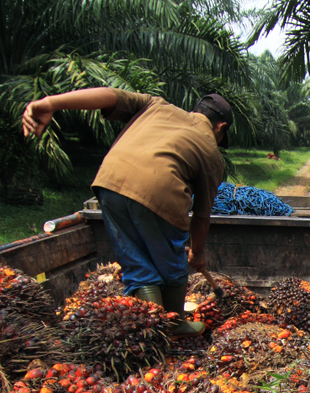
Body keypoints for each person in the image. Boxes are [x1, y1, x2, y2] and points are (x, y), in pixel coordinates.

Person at [22, 87, 232, 336]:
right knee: (171, 266)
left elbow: (110, 95)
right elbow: (200, 217)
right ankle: (174, 325)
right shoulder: (211, 151)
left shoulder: (157, 105)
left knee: (138, 266)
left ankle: (150, 331)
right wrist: (197, 253)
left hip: (110, 182)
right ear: (220, 127)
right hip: (160, 192)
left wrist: (50, 103)